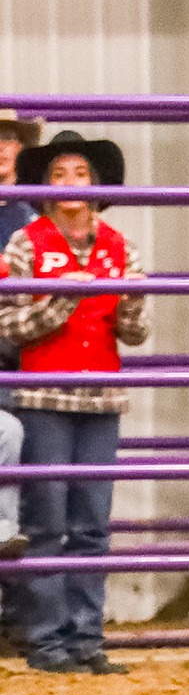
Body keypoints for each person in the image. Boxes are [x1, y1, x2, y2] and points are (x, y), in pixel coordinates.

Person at [0, 131, 147, 675]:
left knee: (92, 524)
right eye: (58, 175)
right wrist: (66, 298)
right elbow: (9, 324)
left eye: (80, 174)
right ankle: (47, 642)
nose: (69, 185)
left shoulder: (120, 245)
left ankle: (87, 638)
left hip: (102, 398)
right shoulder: (25, 243)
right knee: (47, 523)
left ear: (95, 184)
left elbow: (133, 333)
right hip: (43, 395)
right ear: (44, 186)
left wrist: (132, 301)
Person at [0, 109, 41, 570]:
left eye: (8, 137)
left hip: (17, 359)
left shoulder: (34, 220)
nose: (0, 147)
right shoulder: (35, 222)